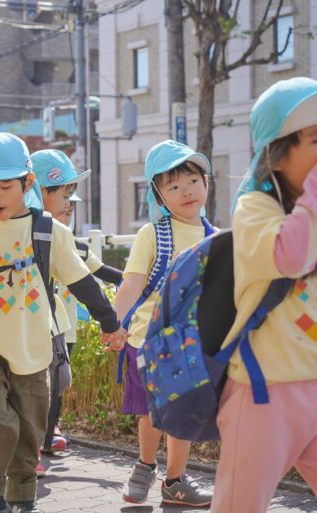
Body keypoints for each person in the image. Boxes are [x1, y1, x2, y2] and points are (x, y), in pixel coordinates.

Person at [0, 133, 127, 513]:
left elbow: (82, 283)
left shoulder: (51, 232)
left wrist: (110, 323)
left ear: (27, 184)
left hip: (34, 345)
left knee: (31, 426)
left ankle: (22, 497)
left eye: (4, 186)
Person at [211, 77, 317, 513]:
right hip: (263, 390)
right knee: (240, 505)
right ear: (277, 152)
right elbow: (290, 256)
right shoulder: (254, 208)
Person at [113, 140, 215, 507]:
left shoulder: (214, 237)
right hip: (148, 340)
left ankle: (175, 480)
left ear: (206, 182)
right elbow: (133, 284)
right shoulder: (153, 234)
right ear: (158, 195)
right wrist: (114, 324)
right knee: (152, 413)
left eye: (192, 180)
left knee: (182, 416)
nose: (185, 191)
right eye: (173, 186)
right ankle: (144, 464)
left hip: (191, 345)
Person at [32, 149, 123, 455]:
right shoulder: (20, 238)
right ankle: (29, 436)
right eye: (64, 198)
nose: (68, 208)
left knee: (58, 379)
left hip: (61, 326)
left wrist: (137, 281)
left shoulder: (76, 247)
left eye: (72, 203)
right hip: (26, 325)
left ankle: (49, 429)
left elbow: (101, 274)